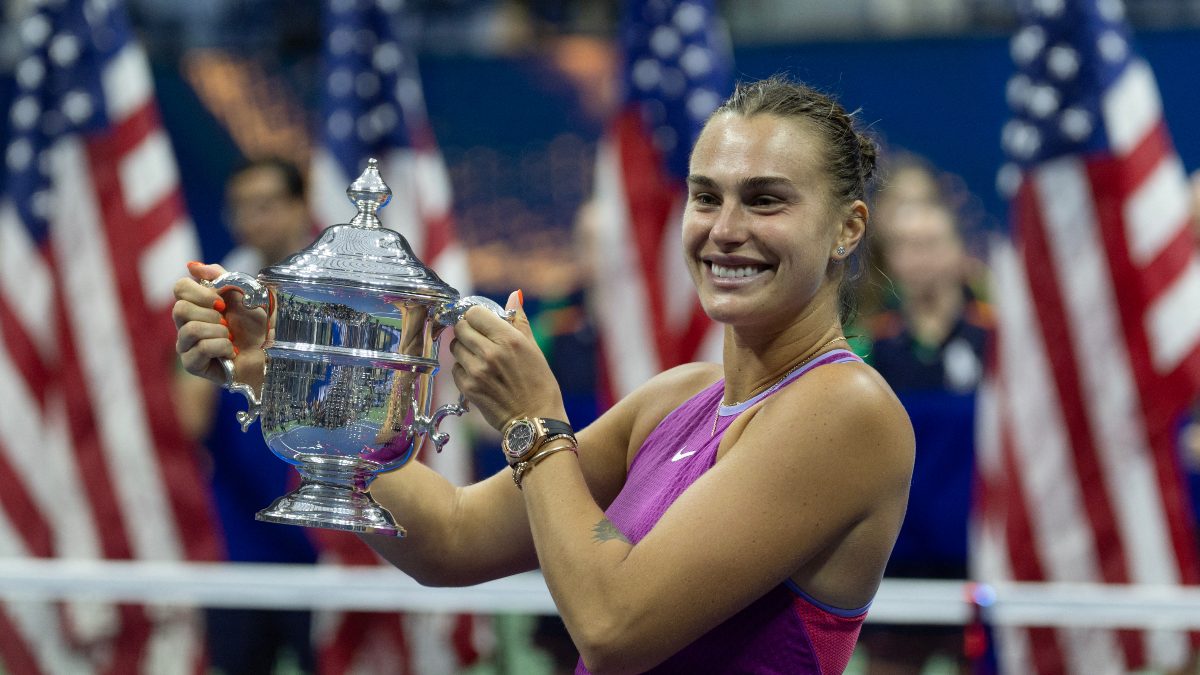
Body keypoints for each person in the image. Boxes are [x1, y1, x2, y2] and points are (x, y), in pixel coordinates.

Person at [174, 76, 915, 673]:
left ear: (848, 227)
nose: (724, 229)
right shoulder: (679, 398)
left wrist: (534, 423)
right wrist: (281, 375)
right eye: (706, 195)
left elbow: (614, 627)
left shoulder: (845, 407)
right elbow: (451, 539)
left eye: (765, 199)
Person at [172, 157, 318, 675]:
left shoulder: (341, 296)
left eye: (266, 205)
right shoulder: (216, 296)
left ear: (301, 205)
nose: (252, 219)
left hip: (325, 540)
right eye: (241, 208)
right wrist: (206, 339)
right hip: (241, 537)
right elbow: (189, 421)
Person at [858, 196, 991, 675]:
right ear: (892, 259)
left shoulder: (999, 339)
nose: (921, 257)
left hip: (978, 561)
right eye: (909, 246)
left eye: (932, 243)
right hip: (892, 562)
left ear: (960, 252)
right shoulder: (866, 348)